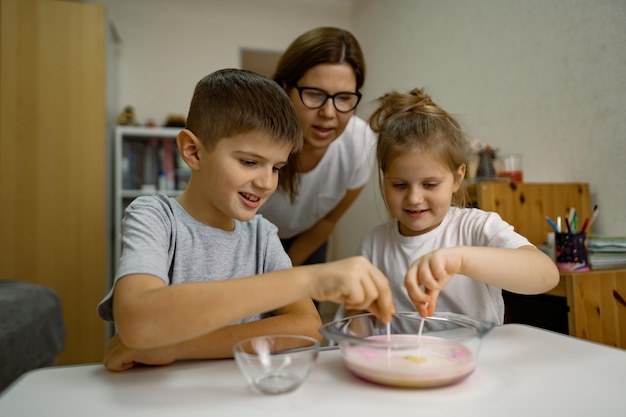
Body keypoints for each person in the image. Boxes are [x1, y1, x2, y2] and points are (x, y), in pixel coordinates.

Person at [97, 69, 395, 372]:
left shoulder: (262, 234)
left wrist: (174, 346)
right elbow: (138, 321)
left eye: (277, 167)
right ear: (193, 152)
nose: (267, 183)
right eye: (249, 162)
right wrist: (311, 278)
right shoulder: (154, 217)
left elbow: (306, 328)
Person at [356, 87, 559, 325]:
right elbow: (362, 320)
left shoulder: (476, 227)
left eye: (430, 184)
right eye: (399, 185)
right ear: (384, 178)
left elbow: (546, 274)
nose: (413, 198)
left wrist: (461, 260)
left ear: (457, 178)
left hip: (476, 358)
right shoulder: (374, 244)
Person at [258, 27, 376, 269]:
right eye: (314, 94)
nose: (329, 113)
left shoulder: (361, 142)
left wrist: (284, 272)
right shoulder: (254, 137)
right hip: (245, 239)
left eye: (344, 98)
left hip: (307, 239)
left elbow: (328, 220)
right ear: (285, 88)